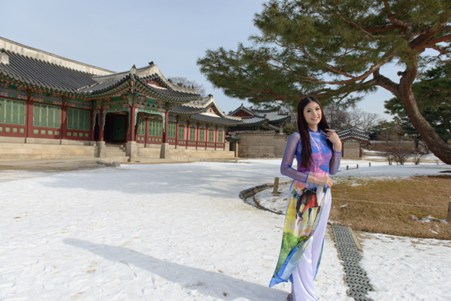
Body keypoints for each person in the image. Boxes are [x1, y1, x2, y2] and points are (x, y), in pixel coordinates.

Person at [269, 96, 342, 301]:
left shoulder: (327, 136)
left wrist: (337, 146)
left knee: (316, 243)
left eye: (317, 109)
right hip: (303, 195)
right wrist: (310, 177)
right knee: (303, 244)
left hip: (324, 196)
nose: (314, 114)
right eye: (308, 110)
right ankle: (305, 296)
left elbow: (333, 170)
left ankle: (299, 292)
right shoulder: (297, 137)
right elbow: (284, 168)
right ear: (302, 115)